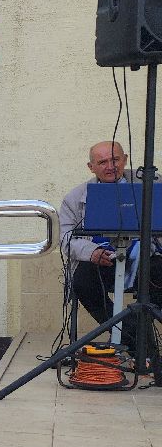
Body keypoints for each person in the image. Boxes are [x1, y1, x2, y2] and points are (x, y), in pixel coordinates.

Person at [59, 140, 162, 356]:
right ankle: (131, 333)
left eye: (115, 159)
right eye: (102, 162)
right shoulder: (75, 198)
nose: (110, 166)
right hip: (101, 260)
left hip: (145, 259)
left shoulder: (151, 185)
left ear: (124, 159)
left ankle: (139, 331)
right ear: (91, 167)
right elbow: (66, 238)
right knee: (83, 281)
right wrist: (91, 252)